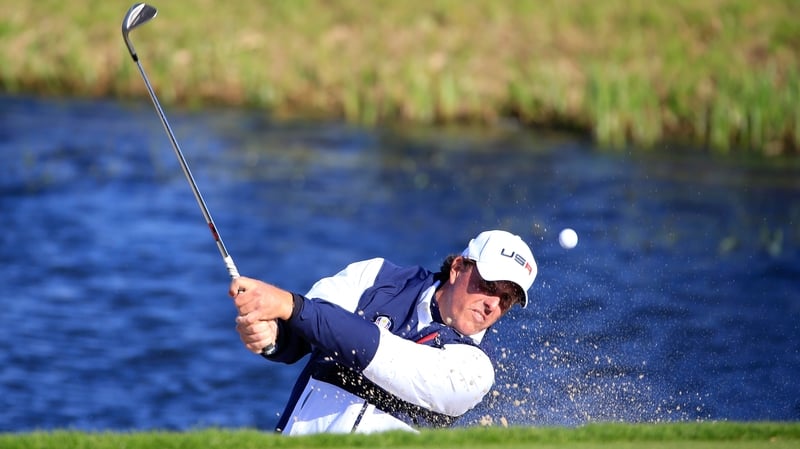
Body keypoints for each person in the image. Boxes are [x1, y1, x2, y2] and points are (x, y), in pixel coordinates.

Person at [230, 229, 537, 435]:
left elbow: (380, 354)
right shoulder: (376, 277)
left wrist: (288, 305)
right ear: (458, 267)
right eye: (487, 285)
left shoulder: (476, 370)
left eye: (506, 299)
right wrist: (271, 336)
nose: (492, 304)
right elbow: (297, 338)